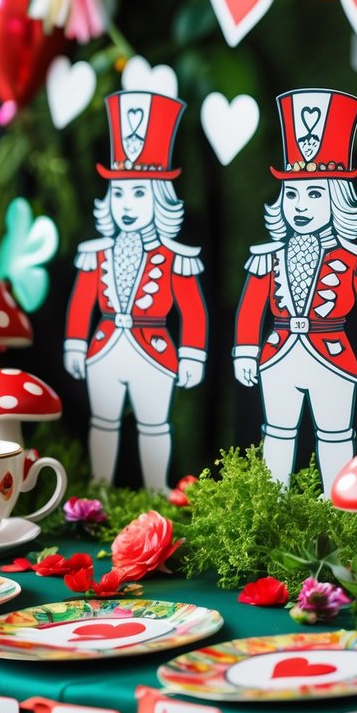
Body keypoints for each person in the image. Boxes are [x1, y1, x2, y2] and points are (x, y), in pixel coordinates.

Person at [233, 89, 357, 494]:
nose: (301, 204)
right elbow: (252, 308)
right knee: (278, 431)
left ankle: (337, 501)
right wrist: (246, 351)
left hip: (334, 356)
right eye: (293, 193)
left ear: (338, 200)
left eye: (315, 193)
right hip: (278, 353)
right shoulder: (266, 257)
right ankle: (274, 497)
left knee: (336, 432)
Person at [63, 91, 208, 492]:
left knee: (154, 422)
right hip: (104, 345)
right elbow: (81, 302)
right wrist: (76, 344)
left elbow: (192, 310)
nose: (128, 204)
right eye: (120, 193)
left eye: (140, 192)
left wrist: (193, 353)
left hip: (155, 349)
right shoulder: (96, 254)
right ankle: (100, 486)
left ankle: (156, 489)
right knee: (103, 420)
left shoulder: (177, 257)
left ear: (160, 199)